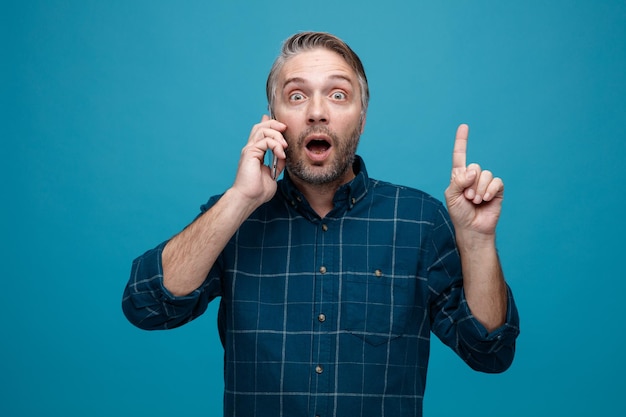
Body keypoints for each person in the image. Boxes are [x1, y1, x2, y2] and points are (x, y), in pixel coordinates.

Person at [122, 31, 520, 417]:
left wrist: (478, 240)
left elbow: (489, 351)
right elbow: (147, 306)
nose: (316, 111)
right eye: (296, 96)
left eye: (338, 94)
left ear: (361, 120)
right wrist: (240, 199)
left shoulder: (420, 221)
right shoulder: (234, 217)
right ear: (273, 121)